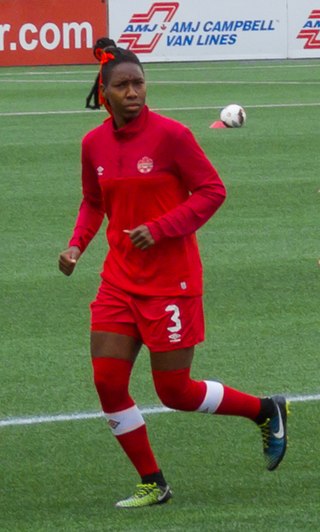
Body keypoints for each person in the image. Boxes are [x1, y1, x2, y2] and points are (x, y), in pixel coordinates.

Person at [59, 38, 289, 509]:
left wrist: (161, 228)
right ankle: (153, 481)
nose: (133, 92)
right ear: (105, 93)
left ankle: (266, 410)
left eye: (139, 83)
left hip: (171, 281)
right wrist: (76, 245)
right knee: (107, 382)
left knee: (175, 391)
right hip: (118, 280)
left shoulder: (172, 136)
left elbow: (211, 191)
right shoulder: (93, 143)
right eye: (122, 85)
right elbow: (94, 201)